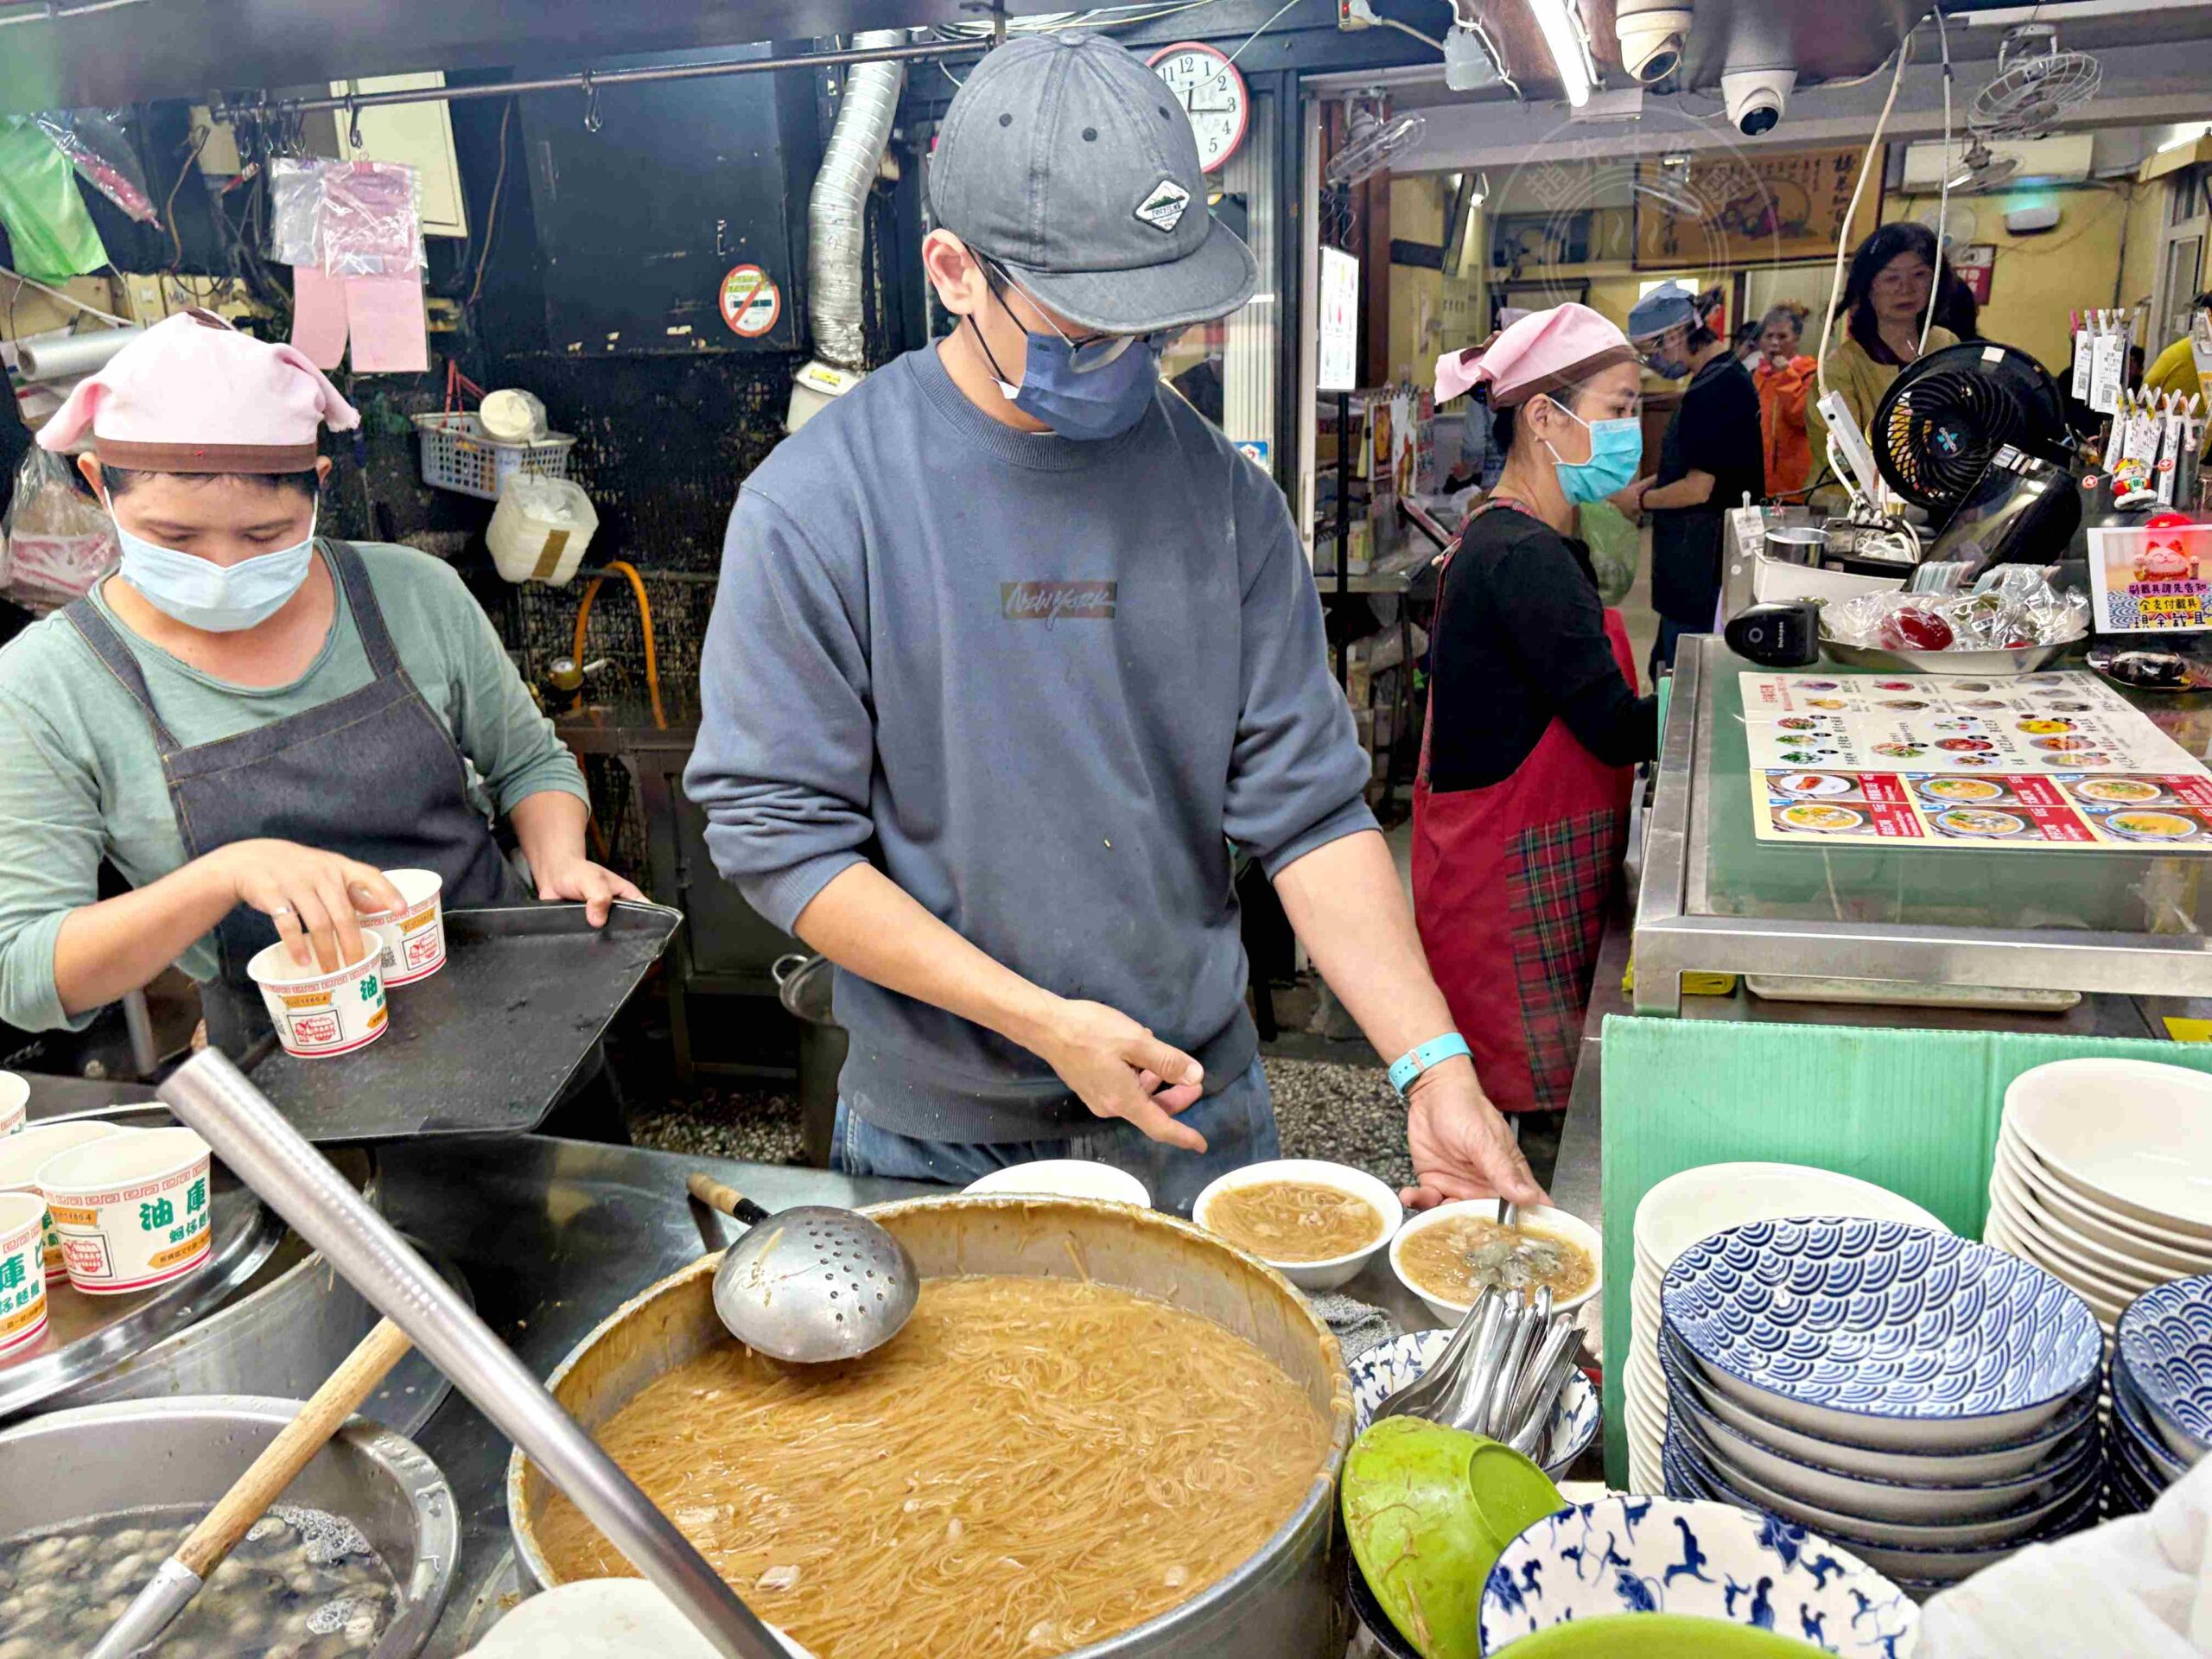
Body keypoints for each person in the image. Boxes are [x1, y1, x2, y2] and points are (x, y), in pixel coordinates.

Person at [684, 34, 1542, 1216]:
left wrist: (1429, 1058)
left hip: (1199, 1108)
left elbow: (1308, 809)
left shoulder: (1227, 499)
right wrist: (1042, 1024)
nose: (1131, 366)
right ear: (952, 270)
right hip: (939, 1136)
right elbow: (780, 836)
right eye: (1087, 334)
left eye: (1157, 330)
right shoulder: (820, 504)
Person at [0, 311, 641, 1057]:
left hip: (518, 1026)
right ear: (96, 487)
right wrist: (226, 876)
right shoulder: (46, 684)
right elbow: (26, 974)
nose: (222, 567)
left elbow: (530, 763)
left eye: (263, 535)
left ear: (318, 488)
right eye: (175, 538)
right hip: (290, 1085)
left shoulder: (413, 595)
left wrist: (558, 857)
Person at [1420, 305, 1657, 1121]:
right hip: (1507, 884)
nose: (1632, 431)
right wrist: (1718, 704)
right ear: (1546, 418)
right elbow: (1614, 726)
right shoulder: (1523, 557)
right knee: (1505, 1127)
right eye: (1618, 410)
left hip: (1501, 860)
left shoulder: (1514, 535)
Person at [1618, 282, 1763, 675]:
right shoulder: (1723, 375)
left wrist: (1639, 502)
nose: (1654, 363)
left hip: (1701, 564)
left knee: (1684, 674)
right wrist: (1652, 481)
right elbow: (1705, 459)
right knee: (1665, 664)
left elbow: (1700, 488)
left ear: (1676, 334)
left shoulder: (1713, 389)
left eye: (1652, 351)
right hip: (1696, 562)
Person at [1807, 222, 1959, 493]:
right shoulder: (1839, 368)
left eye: (1920, 275)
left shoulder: (1947, 345)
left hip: (1937, 499)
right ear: (1868, 286)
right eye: (1891, 278)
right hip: (1853, 504)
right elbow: (1842, 460)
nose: (1906, 289)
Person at [1752, 302, 1818, 498]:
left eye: (1782, 336)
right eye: (1769, 336)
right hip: (1757, 481)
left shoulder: (1810, 373)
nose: (1774, 343)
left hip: (1794, 485)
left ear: (1796, 338)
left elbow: (1799, 417)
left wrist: (1785, 375)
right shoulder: (1757, 375)